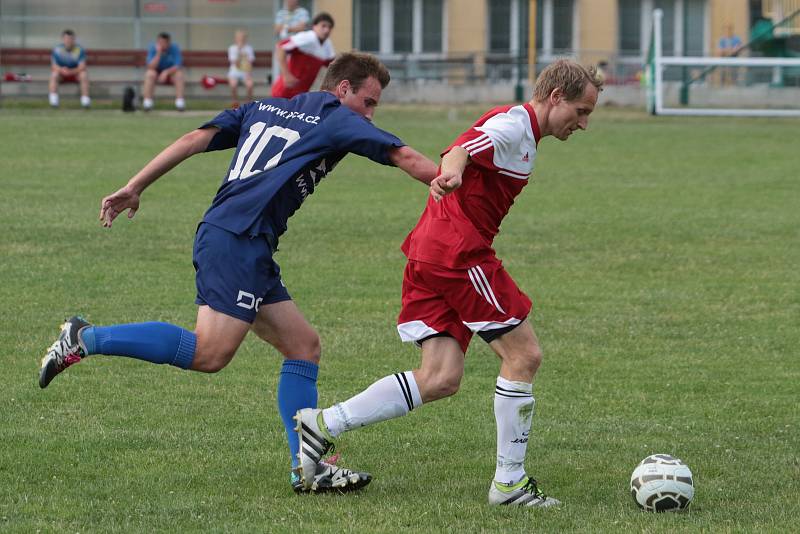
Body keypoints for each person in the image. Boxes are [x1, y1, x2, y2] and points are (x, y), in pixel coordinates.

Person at [39, 52, 458, 495]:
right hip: (237, 240)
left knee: (303, 345)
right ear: (342, 89)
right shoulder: (337, 117)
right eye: (369, 102)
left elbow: (191, 139)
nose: (371, 114)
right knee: (210, 353)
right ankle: (84, 338)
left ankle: (308, 467)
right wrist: (459, 183)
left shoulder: (262, 106)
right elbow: (407, 157)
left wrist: (136, 185)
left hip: (240, 240)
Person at [294, 59, 603, 506]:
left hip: (430, 251)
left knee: (440, 377)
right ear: (556, 97)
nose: (584, 123)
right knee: (524, 355)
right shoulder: (513, 123)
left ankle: (322, 424)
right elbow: (461, 148)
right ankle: (510, 484)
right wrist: (453, 170)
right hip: (457, 253)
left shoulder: (523, 132)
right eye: (582, 111)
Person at [271, 12, 335, 99]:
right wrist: (286, 75)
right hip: (284, 92)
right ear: (314, 27)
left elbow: (333, 67)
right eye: (323, 26)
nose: (327, 30)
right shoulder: (308, 37)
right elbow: (281, 47)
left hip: (301, 96)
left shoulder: (328, 44)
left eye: (329, 27)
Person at [143, 32, 186, 111]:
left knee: (179, 74)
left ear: (168, 43)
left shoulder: (174, 48)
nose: (161, 45)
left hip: (170, 74)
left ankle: (180, 103)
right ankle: (147, 103)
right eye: (159, 42)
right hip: (156, 74)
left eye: (163, 43)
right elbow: (150, 66)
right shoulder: (153, 48)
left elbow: (178, 65)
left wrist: (166, 72)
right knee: (149, 74)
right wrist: (158, 53)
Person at [49, 29, 90, 109]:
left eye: (71, 39)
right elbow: (53, 66)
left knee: (84, 75)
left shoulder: (79, 50)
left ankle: (85, 102)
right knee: (54, 74)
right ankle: (54, 102)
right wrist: (62, 70)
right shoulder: (57, 50)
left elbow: (82, 66)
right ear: (63, 39)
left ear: (74, 39)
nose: (69, 41)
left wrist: (71, 71)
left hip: (75, 74)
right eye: (67, 39)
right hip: (62, 74)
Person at [272, 0, 311, 84]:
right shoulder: (281, 13)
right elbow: (276, 29)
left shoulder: (303, 12)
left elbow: (302, 27)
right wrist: (292, 28)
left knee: (294, 72)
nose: (289, 1)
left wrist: (286, 28)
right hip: (282, 45)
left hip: (297, 48)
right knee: (279, 72)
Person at [228, 29, 256, 108]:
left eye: (243, 38)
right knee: (233, 85)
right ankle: (235, 103)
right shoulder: (232, 48)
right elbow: (236, 64)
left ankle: (248, 104)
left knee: (250, 85)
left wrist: (248, 73)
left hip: (246, 72)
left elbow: (250, 63)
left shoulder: (249, 48)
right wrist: (239, 51)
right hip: (234, 72)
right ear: (236, 39)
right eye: (239, 38)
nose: (241, 39)